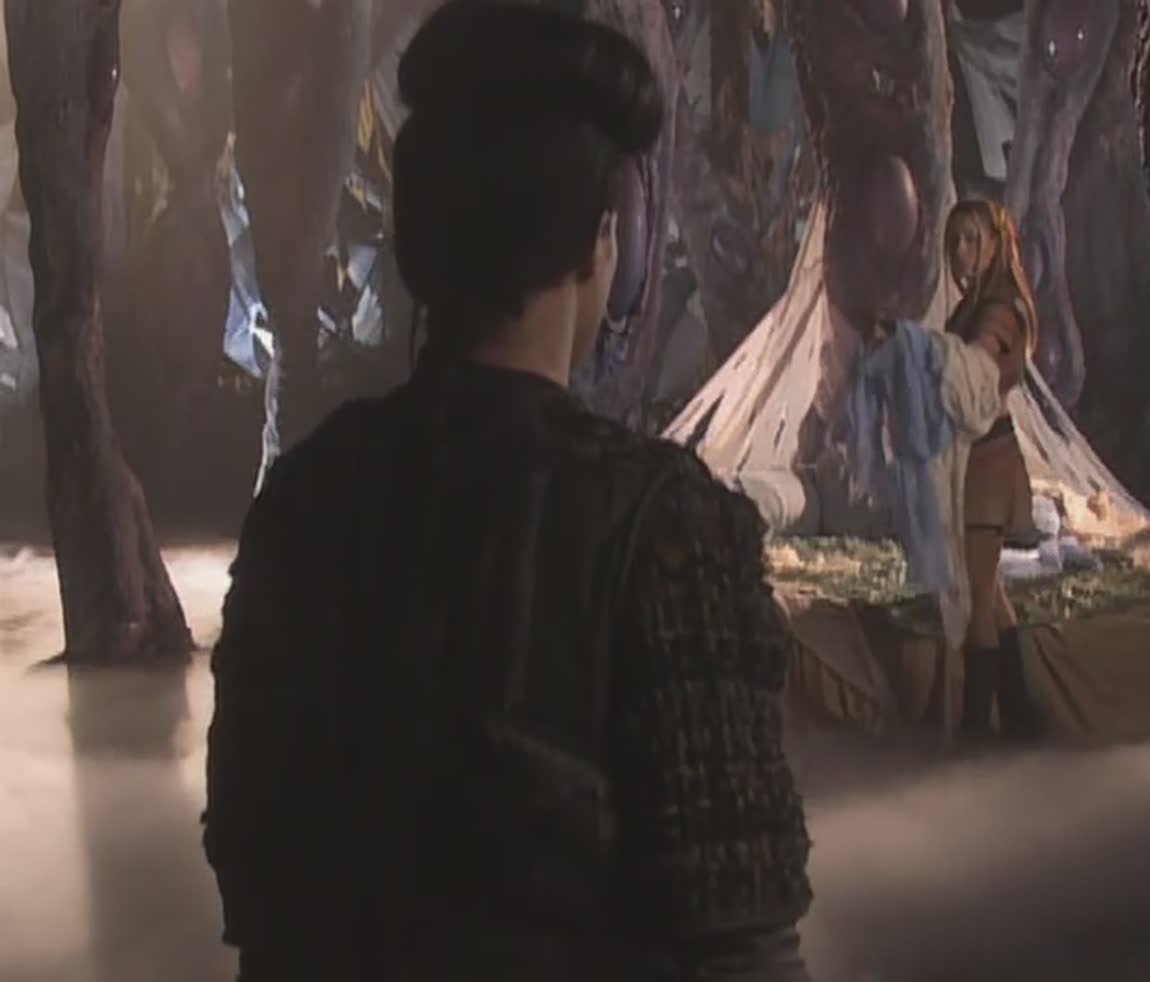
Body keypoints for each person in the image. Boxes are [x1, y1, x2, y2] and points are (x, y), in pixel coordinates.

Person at [201, 3, 814, 979]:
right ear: (600, 247)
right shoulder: (669, 528)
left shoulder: (304, 504)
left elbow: (256, 879)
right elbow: (743, 940)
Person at [942, 198, 1042, 741]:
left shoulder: (1000, 308)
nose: (961, 251)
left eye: (972, 239)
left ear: (996, 244)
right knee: (990, 591)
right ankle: (1020, 712)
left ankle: (977, 725)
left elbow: (977, 371)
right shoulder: (978, 304)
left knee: (978, 597)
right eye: (955, 240)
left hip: (988, 461)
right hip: (977, 457)